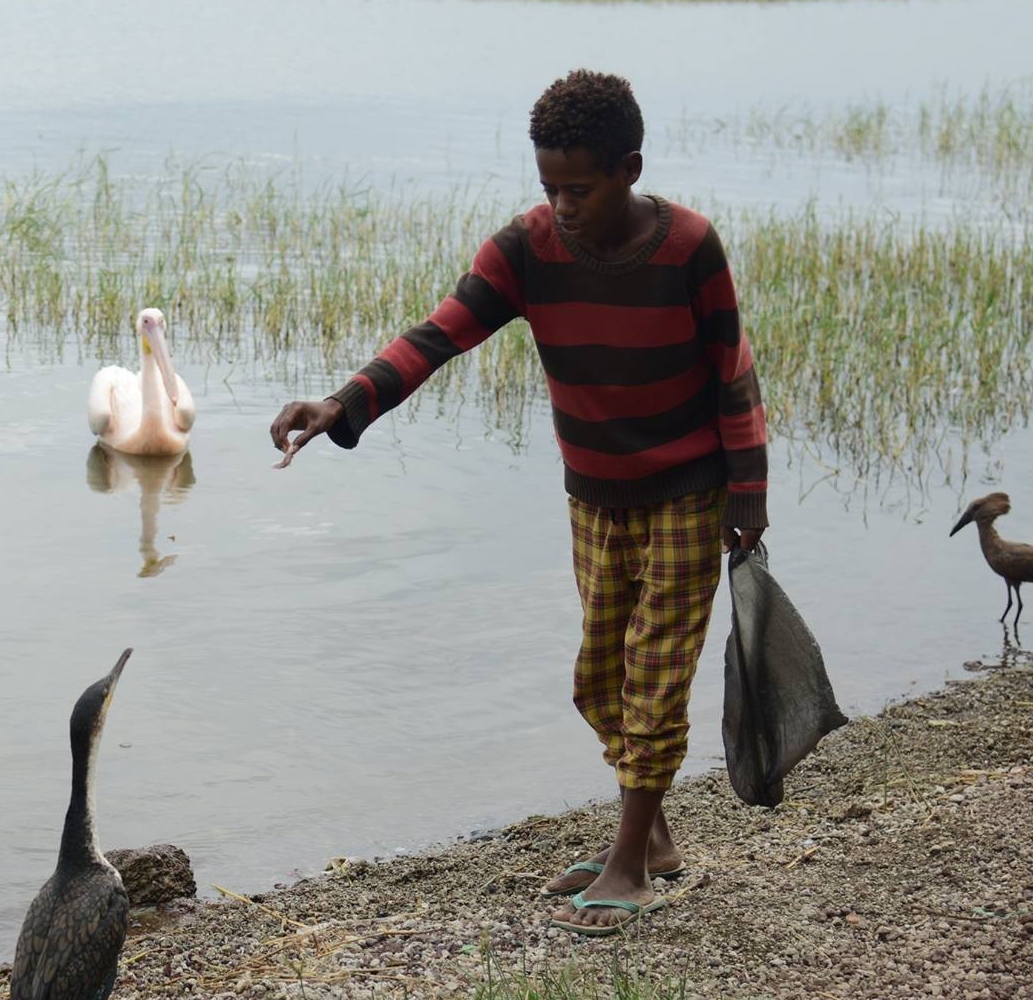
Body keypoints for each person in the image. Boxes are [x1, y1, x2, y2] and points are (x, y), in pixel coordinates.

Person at [269, 69, 768, 937]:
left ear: (630, 169)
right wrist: (343, 403)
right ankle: (653, 839)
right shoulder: (527, 250)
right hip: (595, 495)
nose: (563, 206)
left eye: (580, 188)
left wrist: (750, 498)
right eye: (549, 188)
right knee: (600, 676)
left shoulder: (690, 247)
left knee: (654, 674)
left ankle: (627, 863)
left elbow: (733, 372)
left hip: (690, 490)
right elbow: (439, 334)